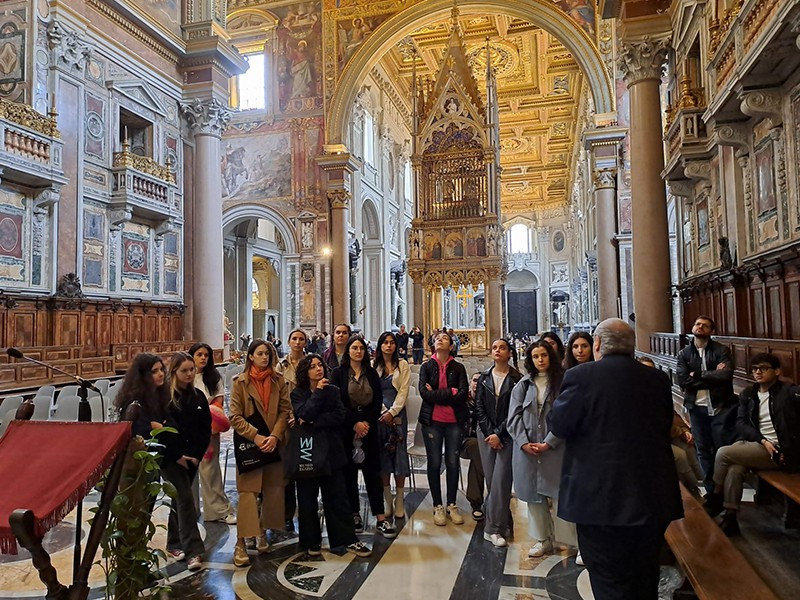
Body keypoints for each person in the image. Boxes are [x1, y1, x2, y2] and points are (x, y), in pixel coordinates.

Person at [549, 318, 682, 600]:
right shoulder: (657, 379)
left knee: (608, 579)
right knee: (644, 576)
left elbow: (559, 426)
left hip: (599, 498)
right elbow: (663, 426)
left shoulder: (581, 377)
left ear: (597, 344)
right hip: (650, 494)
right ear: (632, 346)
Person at [704, 353, 800, 535]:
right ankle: (731, 517)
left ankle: (716, 496)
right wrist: (762, 440)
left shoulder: (787, 392)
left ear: (777, 371)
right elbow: (741, 423)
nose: (758, 372)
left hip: (780, 452)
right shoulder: (749, 394)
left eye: (763, 368)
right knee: (734, 470)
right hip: (760, 446)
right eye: (755, 369)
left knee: (723, 453)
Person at [290, 354, 372, 557]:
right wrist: (317, 393)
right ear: (304, 372)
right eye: (313, 366)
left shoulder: (334, 391)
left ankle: (346, 540)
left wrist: (312, 422)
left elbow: (339, 416)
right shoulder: (298, 394)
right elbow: (304, 413)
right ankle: (311, 541)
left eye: (320, 365)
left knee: (337, 497)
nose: (318, 369)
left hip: (332, 450)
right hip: (307, 451)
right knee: (307, 499)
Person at [507, 341, 576, 559]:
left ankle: (573, 542)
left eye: (543, 355)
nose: (540, 360)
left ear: (551, 356)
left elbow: (568, 416)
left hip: (555, 448)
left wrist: (550, 441)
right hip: (528, 449)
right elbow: (513, 417)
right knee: (533, 497)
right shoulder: (523, 385)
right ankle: (542, 539)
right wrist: (523, 442)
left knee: (560, 496)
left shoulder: (564, 382)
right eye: (535, 356)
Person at [229, 339, 291, 567]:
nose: (265, 357)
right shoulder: (240, 383)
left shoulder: (278, 381)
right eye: (260, 353)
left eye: (268, 354)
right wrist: (257, 436)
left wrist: (275, 436)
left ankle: (261, 531)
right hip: (251, 443)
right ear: (251, 357)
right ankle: (241, 542)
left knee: (272, 490)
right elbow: (234, 416)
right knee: (248, 493)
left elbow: (285, 411)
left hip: (273, 443)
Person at [330, 336, 397, 539]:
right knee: (349, 473)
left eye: (361, 348)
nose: (358, 351)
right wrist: (354, 423)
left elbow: (377, 401)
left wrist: (367, 423)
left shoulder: (371, 374)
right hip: (346, 428)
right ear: (348, 351)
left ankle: (380, 518)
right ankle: (355, 514)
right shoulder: (338, 373)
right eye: (354, 348)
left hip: (369, 428)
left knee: (372, 473)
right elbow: (338, 401)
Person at [162, 352, 212, 572]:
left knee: (178, 499)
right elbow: (165, 432)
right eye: (185, 370)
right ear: (174, 372)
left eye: (192, 369)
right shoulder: (165, 397)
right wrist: (179, 456)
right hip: (171, 458)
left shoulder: (198, 396)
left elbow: (204, 429)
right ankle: (193, 551)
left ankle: (174, 541)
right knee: (184, 497)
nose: (190, 374)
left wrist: (196, 455)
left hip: (192, 457)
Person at [677, 315, 737, 491]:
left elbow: (725, 375)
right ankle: (711, 490)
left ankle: (722, 488)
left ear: (711, 331)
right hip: (697, 407)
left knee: (720, 449)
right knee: (702, 449)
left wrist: (698, 375)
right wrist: (712, 375)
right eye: (697, 324)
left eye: (705, 325)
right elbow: (683, 380)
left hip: (720, 406)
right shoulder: (684, 353)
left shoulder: (721, 350)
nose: (700, 327)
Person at [475, 339, 522, 547]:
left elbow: (515, 410)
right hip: (485, 434)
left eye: (502, 348)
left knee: (502, 480)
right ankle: (504, 520)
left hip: (507, 433)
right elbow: (479, 408)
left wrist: (498, 434)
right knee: (492, 480)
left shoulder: (517, 379)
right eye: (494, 348)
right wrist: (489, 433)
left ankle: (492, 529)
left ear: (509, 353)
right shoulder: (484, 377)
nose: (497, 351)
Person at [418, 331, 469, 525]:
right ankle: (437, 505)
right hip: (433, 421)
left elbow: (462, 394)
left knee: (453, 461)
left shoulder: (458, 367)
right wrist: (450, 392)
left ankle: (452, 503)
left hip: (454, 421)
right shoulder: (426, 366)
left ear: (451, 345)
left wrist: (438, 393)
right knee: (434, 462)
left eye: (444, 338)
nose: (440, 339)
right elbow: (425, 394)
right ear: (433, 343)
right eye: (437, 338)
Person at [640, 357, 703, 499]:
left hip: (666, 436)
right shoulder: (636, 394)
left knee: (688, 447)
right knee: (679, 456)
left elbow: (672, 415)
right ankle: (692, 490)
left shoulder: (658, 392)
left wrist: (684, 431)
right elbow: (654, 425)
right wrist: (679, 431)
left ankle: (700, 487)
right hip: (649, 442)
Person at [189, 343, 236, 525]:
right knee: (188, 473)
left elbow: (218, 403)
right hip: (187, 431)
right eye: (199, 354)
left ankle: (217, 510)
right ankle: (190, 510)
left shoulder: (213, 378)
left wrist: (209, 424)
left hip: (208, 429)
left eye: (206, 355)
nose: (203, 358)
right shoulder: (184, 375)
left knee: (210, 471)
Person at [373, 331, 411, 520]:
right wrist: (382, 411)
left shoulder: (402, 365)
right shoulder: (374, 366)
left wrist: (392, 412)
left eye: (391, 342)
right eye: (385, 342)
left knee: (399, 455)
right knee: (383, 456)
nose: (388, 346)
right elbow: (372, 391)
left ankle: (400, 499)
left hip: (397, 414)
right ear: (380, 346)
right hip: (379, 415)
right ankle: (387, 498)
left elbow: (403, 391)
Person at [276, 328, 308, 533]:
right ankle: (287, 514)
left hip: (305, 419)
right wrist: (286, 416)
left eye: (301, 339)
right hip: (286, 420)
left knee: (305, 467)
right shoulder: (280, 366)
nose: (297, 342)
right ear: (289, 342)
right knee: (287, 469)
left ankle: (306, 511)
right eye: (294, 339)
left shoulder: (310, 363)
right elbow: (277, 394)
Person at [461, 372, 486, 521]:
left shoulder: (486, 402)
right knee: (477, 448)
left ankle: (476, 502)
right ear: (470, 382)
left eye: (481, 381)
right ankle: (495, 487)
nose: (477, 383)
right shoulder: (462, 401)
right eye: (475, 380)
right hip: (461, 441)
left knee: (479, 454)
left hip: (484, 443)